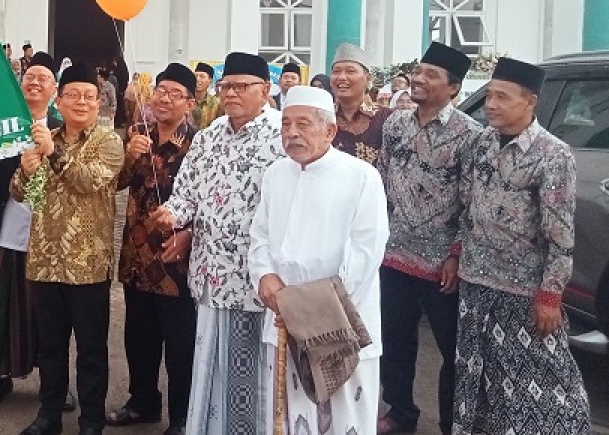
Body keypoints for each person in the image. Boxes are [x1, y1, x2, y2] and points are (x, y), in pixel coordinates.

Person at [453, 58, 591, 433]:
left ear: (530, 102)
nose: (491, 104)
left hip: (523, 290)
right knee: (476, 373)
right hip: (475, 283)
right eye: (490, 96)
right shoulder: (481, 143)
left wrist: (550, 295)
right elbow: (466, 205)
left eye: (502, 97)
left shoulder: (553, 154)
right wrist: (455, 254)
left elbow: (560, 234)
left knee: (539, 376)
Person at [153, 51, 284, 433]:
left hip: (254, 280)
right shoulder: (210, 135)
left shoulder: (281, 135)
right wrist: (174, 215)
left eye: (241, 87)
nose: (230, 93)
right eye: (226, 86)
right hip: (210, 277)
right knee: (210, 365)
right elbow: (186, 192)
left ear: (265, 91)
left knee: (250, 370)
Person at [250, 86, 390, 433]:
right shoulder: (275, 174)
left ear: (330, 131)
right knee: (290, 414)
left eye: (303, 124)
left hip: (340, 319)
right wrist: (265, 276)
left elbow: (366, 251)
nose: (292, 133)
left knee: (345, 419)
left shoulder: (361, 177)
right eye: (285, 124)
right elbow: (260, 236)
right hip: (282, 317)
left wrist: (304, 307)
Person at [376, 42, 481, 435]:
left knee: (452, 351)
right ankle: (400, 412)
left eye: (431, 75)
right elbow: (382, 181)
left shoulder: (470, 135)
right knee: (395, 342)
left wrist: (456, 254)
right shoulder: (395, 124)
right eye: (418, 72)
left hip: (443, 264)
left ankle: (452, 424)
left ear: (453, 88)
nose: (418, 79)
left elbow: (473, 203)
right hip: (394, 254)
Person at [15, 62, 125, 435]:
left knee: (92, 350)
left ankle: (91, 420)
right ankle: (49, 414)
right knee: (50, 347)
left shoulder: (108, 142)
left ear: (99, 104)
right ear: (58, 101)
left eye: (89, 97)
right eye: (73, 95)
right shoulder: (44, 136)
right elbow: (17, 193)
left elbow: (88, 181)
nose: (81, 102)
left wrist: (53, 153)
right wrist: (26, 171)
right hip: (44, 260)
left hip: (88, 264)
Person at [107, 63, 198, 435]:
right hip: (136, 257)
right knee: (138, 337)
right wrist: (128, 154)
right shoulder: (135, 133)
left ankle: (182, 417)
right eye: (161, 90)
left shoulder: (198, 144)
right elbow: (114, 184)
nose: (165, 98)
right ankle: (142, 402)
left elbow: (205, 199)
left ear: (189, 104)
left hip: (174, 260)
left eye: (175, 93)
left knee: (179, 345)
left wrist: (189, 232)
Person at [0, 52, 60, 405]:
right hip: (8, 227)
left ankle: (54, 385)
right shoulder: (3, 126)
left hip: (52, 235)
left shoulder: (64, 126)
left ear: (55, 88)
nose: (35, 83)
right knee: (2, 305)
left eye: (43, 78)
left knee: (51, 311)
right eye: (29, 78)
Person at [331, 42, 391, 164]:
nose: (341, 77)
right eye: (336, 71)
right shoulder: (323, 116)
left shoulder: (387, 118)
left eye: (350, 71)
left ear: (368, 79)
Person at [189, 62, 219, 129]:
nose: (197, 79)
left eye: (202, 76)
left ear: (210, 81)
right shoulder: (186, 101)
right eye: (195, 76)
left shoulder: (217, 104)